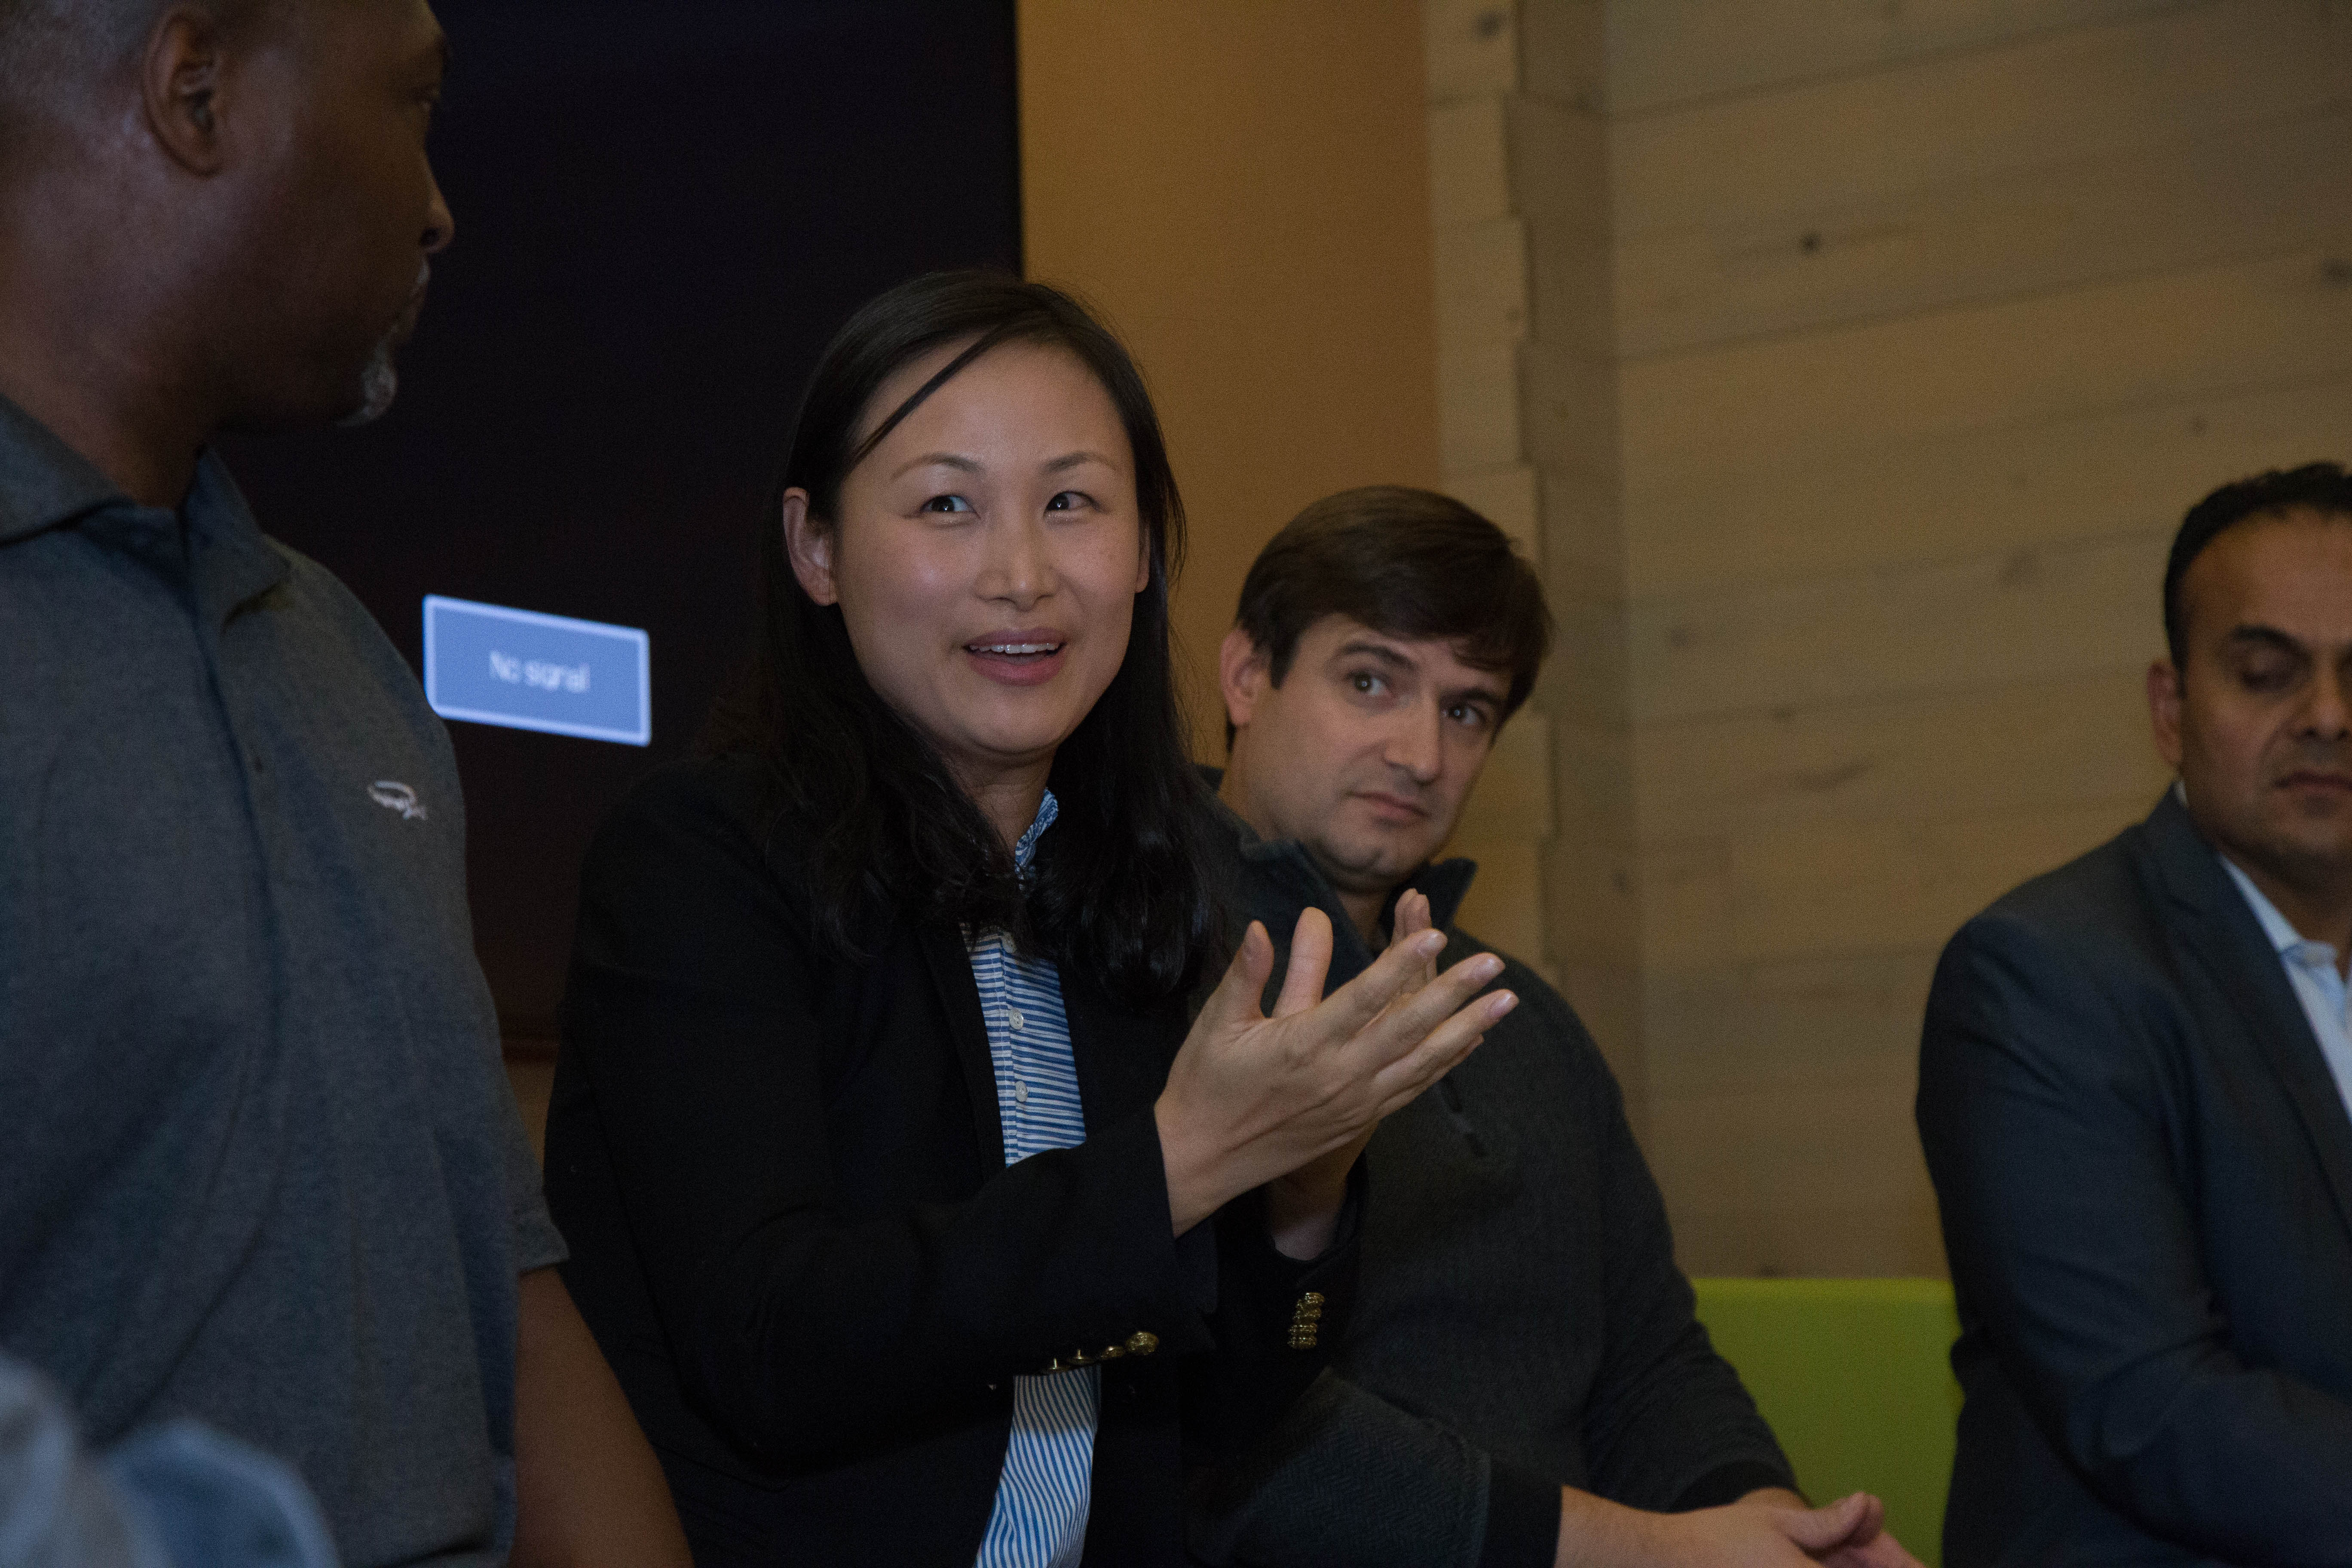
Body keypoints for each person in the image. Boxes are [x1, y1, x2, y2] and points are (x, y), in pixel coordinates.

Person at [541, 275, 1516, 1568]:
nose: (1021, 575)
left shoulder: (1140, 894)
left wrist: (1304, 1182)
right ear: (817, 548)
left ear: (1146, 551)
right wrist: (1178, 1160)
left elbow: (1217, 1425)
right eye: (948, 504)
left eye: (1073, 504)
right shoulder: (699, 862)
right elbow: (772, 1341)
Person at [0, 3, 686, 1565]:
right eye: (415, 103)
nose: (440, 203)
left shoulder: (341, 659)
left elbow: (504, 1288)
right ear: (194, 94)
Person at [1188, 487, 1923, 1568]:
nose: (1422, 754)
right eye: (1371, 681)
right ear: (1248, 674)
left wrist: (1770, 1526)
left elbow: (1649, 1361)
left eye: (1466, 709)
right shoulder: (1150, 975)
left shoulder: (1523, 1021)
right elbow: (1229, 1435)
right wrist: (1658, 1554)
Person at [1918, 462, 2352, 1564]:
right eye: (2266, 673)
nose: (2330, 717)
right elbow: (2149, 1407)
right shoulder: (2043, 974)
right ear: (2172, 709)